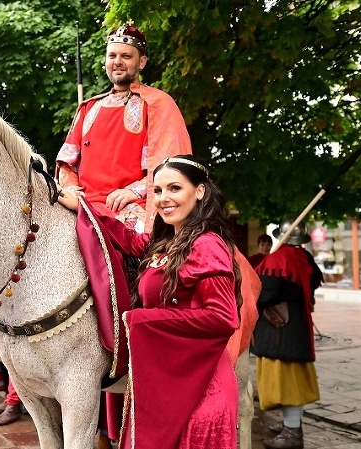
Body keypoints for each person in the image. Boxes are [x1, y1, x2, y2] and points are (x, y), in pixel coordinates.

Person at [62, 155, 242, 448]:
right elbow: (127, 238)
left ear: (199, 191)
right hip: (166, 379)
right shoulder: (165, 243)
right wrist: (83, 209)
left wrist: (142, 320)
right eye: (157, 190)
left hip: (200, 389)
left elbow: (223, 318)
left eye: (174, 188)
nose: (163, 198)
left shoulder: (207, 244)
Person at [56, 23, 192, 235]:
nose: (117, 62)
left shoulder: (159, 105)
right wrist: (72, 191)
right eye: (112, 56)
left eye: (126, 56)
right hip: (83, 205)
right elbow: (66, 165)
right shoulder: (87, 108)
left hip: (131, 205)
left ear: (142, 62)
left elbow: (173, 169)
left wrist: (131, 191)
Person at [251, 219, 323, 449]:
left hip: (280, 329)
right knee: (294, 381)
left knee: (287, 382)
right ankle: (290, 424)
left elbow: (266, 295)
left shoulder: (278, 259)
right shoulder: (305, 258)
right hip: (297, 324)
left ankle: (292, 432)